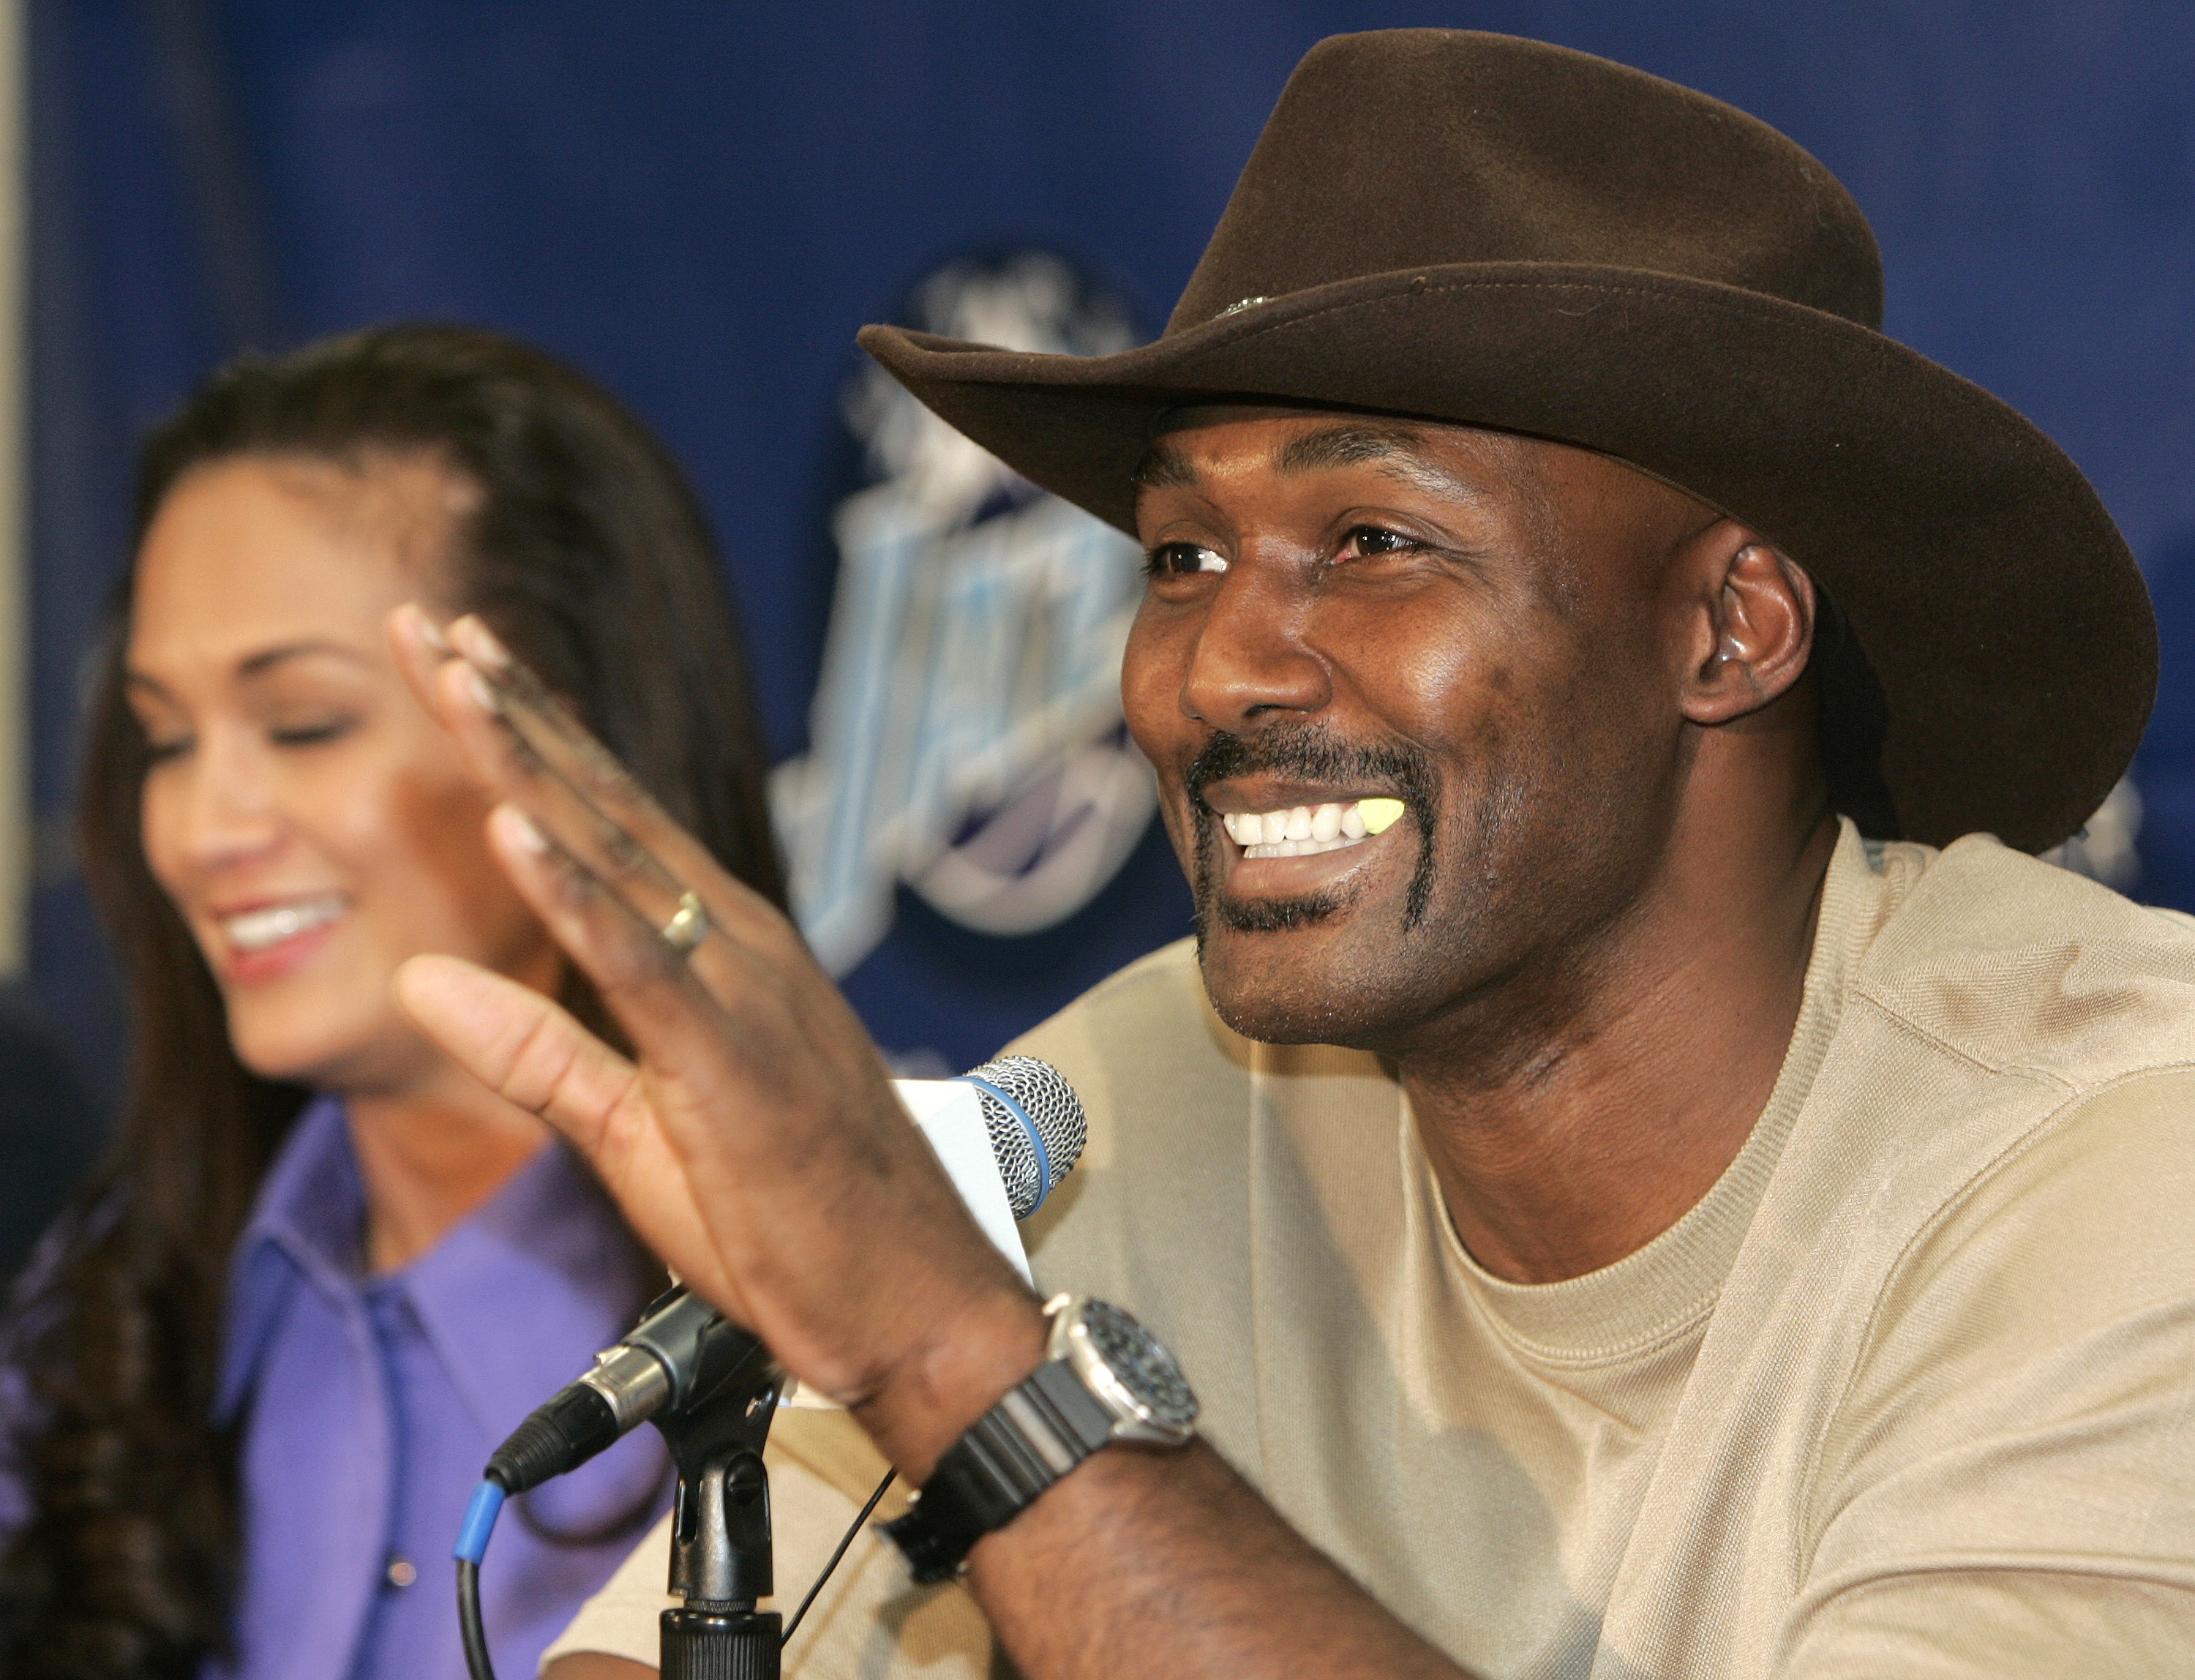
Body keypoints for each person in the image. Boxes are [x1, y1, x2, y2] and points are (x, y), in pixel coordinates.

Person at [396, 31, 2193, 1680]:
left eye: (1373, 539)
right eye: (1182, 557)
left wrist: (967, 1365)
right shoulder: (1149, 1095)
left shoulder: (2121, 1150)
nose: (1218, 670)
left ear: (1728, 627)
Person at [0, 323, 786, 1680]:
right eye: (167, 739)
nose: (198, 828)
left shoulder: (816, 1329)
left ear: (571, 738)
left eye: (303, 723)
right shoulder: (111, 1314)